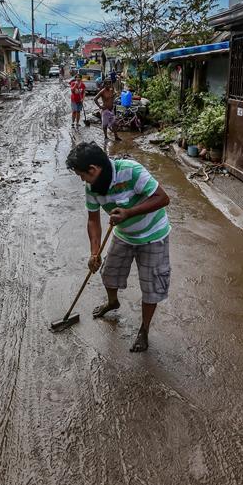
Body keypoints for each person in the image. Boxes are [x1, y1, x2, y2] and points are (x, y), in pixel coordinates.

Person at [66, 142, 172, 353]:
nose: (81, 179)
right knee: (109, 274)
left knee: (151, 286)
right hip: (124, 235)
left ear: (94, 170)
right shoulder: (91, 188)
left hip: (153, 234)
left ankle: (144, 329)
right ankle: (113, 302)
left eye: (82, 174)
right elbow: (93, 221)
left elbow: (163, 198)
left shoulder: (131, 171)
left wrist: (129, 212)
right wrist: (94, 252)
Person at [94, 80, 120, 146]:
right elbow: (95, 99)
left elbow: (112, 98)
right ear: (104, 85)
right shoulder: (102, 91)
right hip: (105, 110)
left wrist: (114, 95)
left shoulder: (111, 90)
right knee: (105, 124)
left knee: (114, 123)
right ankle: (105, 136)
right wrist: (100, 106)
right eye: (107, 84)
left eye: (109, 84)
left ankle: (116, 136)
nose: (108, 85)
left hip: (111, 109)